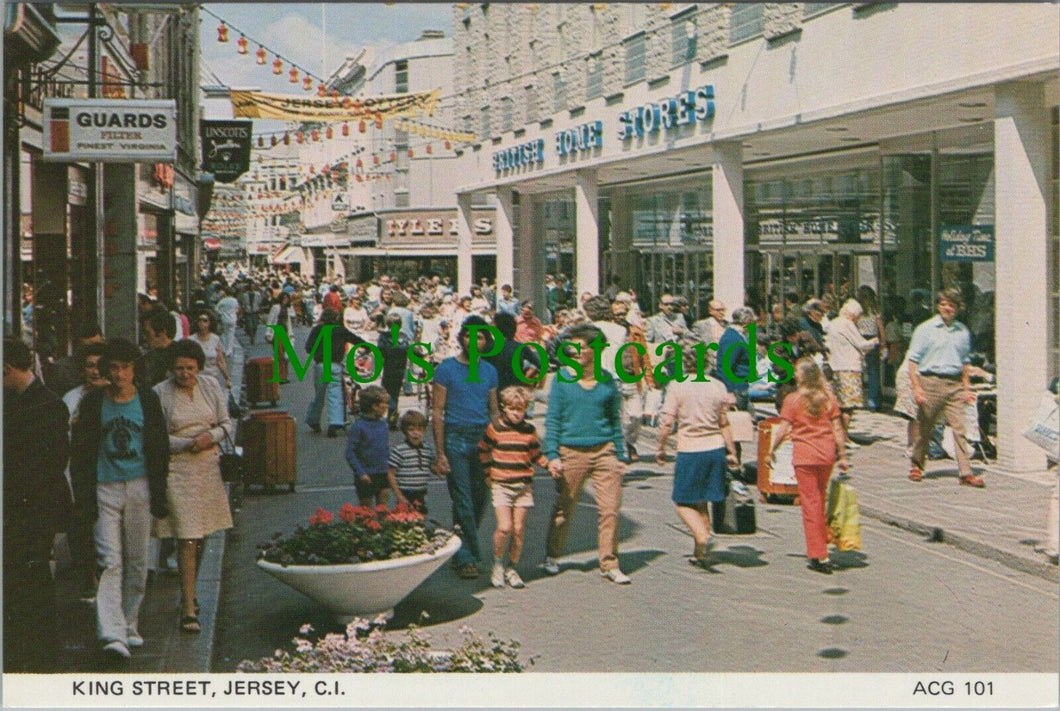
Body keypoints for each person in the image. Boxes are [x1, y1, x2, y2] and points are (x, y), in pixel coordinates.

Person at [70, 338, 170, 660]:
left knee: (138, 560)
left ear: (135, 369)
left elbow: (159, 447)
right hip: (105, 487)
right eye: (113, 367)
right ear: (106, 370)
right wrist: (84, 498)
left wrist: (159, 493)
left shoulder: (148, 400)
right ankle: (112, 632)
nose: (119, 373)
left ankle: (129, 622)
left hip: (140, 485)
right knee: (110, 560)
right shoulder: (94, 403)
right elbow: (81, 451)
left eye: (125, 367)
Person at [152, 340, 233, 634]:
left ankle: (190, 589)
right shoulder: (160, 393)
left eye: (189, 368)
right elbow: (157, 437)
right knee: (186, 537)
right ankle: (188, 607)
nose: (184, 373)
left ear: (198, 366)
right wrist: (188, 443)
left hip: (208, 468)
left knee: (201, 535)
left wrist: (210, 437)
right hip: (178, 470)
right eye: (178, 368)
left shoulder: (210, 386)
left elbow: (226, 423)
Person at [3, 338, 73, 672]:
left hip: (34, 509)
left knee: (32, 578)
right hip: (19, 507)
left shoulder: (47, 405)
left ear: (7, 369)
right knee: (20, 579)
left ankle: (40, 653)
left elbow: (52, 462)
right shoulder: (17, 401)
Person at [542, 323, 631, 584]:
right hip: (571, 451)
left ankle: (609, 563)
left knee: (610, 509)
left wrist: (621, 455)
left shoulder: (607, 383)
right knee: (564, 508)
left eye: (582, 347)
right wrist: (552, 453)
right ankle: (553, 554)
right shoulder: (562, 380)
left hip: (605, 451)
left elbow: (615, 420)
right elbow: (553, 419)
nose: (576, 351)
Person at [655, 346, 738, 566]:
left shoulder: (678, 385)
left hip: (690, 449)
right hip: (715, 449)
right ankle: (700, 553)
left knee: (682, 501)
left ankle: (704, 537)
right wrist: (732, 451)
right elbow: (724, 422)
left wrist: (660, 447)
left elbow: (667, 421)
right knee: (702, 503)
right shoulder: (718, 386)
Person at [432, 315, 501, 579]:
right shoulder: (446, 369)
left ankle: (460, 547)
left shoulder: (489, 371)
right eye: (469, 335)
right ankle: (468, 555)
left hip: (484, 438)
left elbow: (494, 411)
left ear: (486, 342)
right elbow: (437, 412)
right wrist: (440, 453)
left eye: (480, 336)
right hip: (455, 438)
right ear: (461, 338)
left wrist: (503, 440)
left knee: (480, 498)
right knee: (462, 498)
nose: (474, 341)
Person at [769, 358, 850, 575]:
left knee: (810, 505)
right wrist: (842, 456)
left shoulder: (793, 400)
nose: (794, 374)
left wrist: (772, 451)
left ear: (804, 375)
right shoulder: (828, 399)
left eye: (796, 371)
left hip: (804, 457)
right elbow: (838, 430)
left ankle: (819, 554)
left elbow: (783, 429)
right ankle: (822, 543)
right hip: (826, 456)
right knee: (820, 500)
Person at [906, 288, 983, 487]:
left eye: (951, 305)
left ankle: (965, 473)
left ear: (957, 308)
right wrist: (917, 388)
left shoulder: (963, 332)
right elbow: (913, 361)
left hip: (954, 384)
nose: (947, 308)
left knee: (960, 428)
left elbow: (965, 362)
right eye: (943, 304)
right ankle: (917, 465)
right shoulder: (925, 329)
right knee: (925, 428)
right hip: (930, 382)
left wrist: (967, 388)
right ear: (938, 306)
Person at [478, 386, 548, 589]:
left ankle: (512, 568)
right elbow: (483, 450)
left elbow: (536, 455)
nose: (517, 414)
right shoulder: (495, 428)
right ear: (504, 408)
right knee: (504, 527)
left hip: (523, 486)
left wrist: (550, 464)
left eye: (521, 410)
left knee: (518, 530)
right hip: (501, 485)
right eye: (513, 409)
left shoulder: (529, 431)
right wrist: (488, 474)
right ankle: (498, 564)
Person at [62, 342, 110, 602]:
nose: (95, 371)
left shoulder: (116, 396)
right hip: (76, 473)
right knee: (80, 527)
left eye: (100, 365)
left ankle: (106, 578)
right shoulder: (72, 398)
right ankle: (88, 579)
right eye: (90, 366)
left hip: (107, 473)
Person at [305, 308, 366, 437]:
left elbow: (308, 348)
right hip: (335, 365)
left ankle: (313, 419)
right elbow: (357, 340)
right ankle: (335, 422)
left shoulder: (317, 330)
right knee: (335, 394)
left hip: (321, 365)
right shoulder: (340, 330)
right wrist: (367, 349)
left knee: (319, 395)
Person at [826, 298, 879, 441]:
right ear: (854, 314)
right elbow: (861, 344)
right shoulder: (847, 324)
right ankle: (844, 436)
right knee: (849, 405)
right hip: (849, 366)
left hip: (837, 366)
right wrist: (874, 341)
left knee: (841, 403)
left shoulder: (834, 323)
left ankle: (840, 435)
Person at [345, 385, 392, 507]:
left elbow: (386, 449)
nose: (387, 407)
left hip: (383, 472)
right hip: (366, 474)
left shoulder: (383, 425)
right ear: (374, 406)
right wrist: (360, 472)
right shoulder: (359, 427)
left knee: (383, 508)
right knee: (366, 511)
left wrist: (391, 469)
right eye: (384, 404)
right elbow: (350, 453)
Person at [387, 410, 437, 513]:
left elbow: (432, 467)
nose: (416, 433)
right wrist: (399, 496)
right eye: (411, 429)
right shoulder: (399, 450)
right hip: (405, 492)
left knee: (420, 520)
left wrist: (440, 467)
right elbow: (391, 474)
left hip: (421, 492)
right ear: (405, 431)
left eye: (419, 429)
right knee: (404, 520)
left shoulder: (427, 449)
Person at [187, 309, 232, 391]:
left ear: (210, 323)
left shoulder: (215, 339)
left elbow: (220, 360)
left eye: (205, 320)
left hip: (213, 379)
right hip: (197, 379)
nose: (202, 323)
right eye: (199, 320)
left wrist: (227, 378)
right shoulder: (191, 340)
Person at [856, 286, 885, 410]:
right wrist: (883, 342)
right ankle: (873, 401)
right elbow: (881, 327)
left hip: (860, 338)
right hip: (873, 340)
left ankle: (858, 398)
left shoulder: (858, 311)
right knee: (873, 372)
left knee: (859, 370)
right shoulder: (875, 310)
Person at [214, 287, 241, 358]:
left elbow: (216, 309)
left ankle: (224, 349)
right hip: (233, 319)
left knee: (224, 334)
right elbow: (238, 309)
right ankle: (229, 351)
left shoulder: (223, 300)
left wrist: (221, 313)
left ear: (225, 293)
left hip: (224, 319)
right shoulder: (235, 300)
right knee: (231, 334)